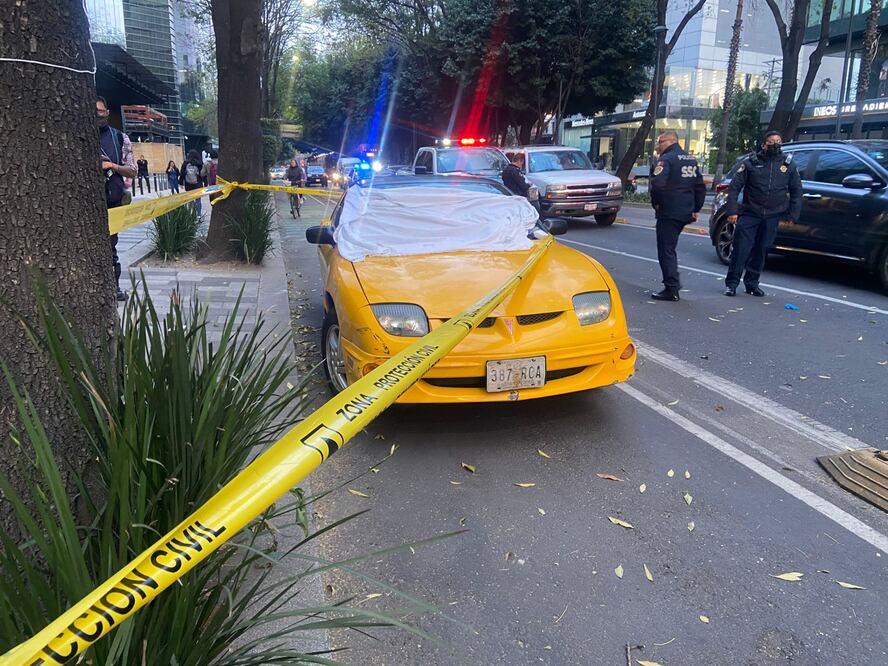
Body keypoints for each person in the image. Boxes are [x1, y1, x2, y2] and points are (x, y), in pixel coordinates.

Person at [723, 131, 802, 297]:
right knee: (741, 249)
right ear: (764, 144)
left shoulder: (788, 165)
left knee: (761, 249)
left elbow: (796, 191)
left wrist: (792, 215)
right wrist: (732, 211)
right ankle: (731, 284)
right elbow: (734, 188)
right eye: (772, 141)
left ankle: (752, 283)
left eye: (779, 141)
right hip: (750, 213)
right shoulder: (751, 162)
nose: (776, 144)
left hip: (773, 215)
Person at [648, 130, 706, 301]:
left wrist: (657, 203)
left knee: (666, 250)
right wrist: (696, 208)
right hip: (685, 210)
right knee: (670, 248)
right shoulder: (689, 159)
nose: (658, 146)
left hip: (669, 211)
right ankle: (672, 285)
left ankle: (671, 288)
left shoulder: (666, 159)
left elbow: (657, 184)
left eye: (660, 142)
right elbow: (700, 186)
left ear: (669, 141)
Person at [97, 96, 136, 301]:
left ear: (107, 112)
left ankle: (114, 288)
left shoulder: (120, 138)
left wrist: (112, 166)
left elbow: (132, 170)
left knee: (111, 247)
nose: (97, 115)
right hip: (86, 205)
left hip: (113, 201)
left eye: (100, 111)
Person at [179, 149, 208, 216]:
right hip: (198, 184)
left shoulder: (185, 163)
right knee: (198, 201)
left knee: (190, 201)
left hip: (188, 185)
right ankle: (198, 215)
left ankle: (192, 215)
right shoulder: (199, 163)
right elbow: (203, 174)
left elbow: (182, 173)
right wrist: (205, 183)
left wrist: (181, 182)